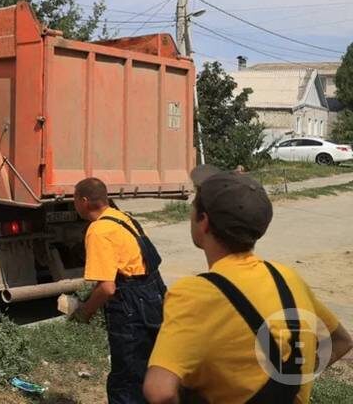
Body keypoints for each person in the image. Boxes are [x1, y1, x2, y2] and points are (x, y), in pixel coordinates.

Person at [144, 165, 353, 404]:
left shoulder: (194, 293)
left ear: (203, 222)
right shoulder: (288, 277)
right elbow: (341, 341)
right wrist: (292, 381)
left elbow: (159, 391)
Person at [71, 177, 167, 403]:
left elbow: (107, 288)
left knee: (126, 379)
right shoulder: (123, 218)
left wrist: (85, 312)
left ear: (84, 201)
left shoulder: (98, 230)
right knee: (152, 368)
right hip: (155, 296)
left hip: (131, 306)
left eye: (75, 200)